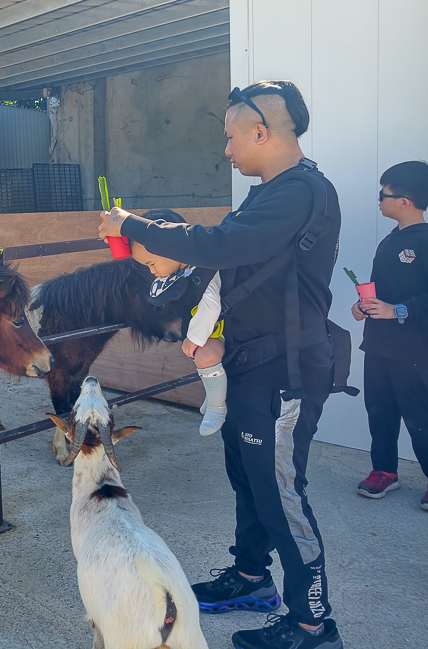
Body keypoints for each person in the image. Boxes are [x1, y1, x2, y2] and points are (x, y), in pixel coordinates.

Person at [98, 80, 344, 649]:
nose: (227, 150)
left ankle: (314, 624)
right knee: (248, 480)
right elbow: (225, 265)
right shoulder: (267, 195)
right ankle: (253, 580)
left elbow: (220, 245)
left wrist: (133, 225)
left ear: (263, 132)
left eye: (232, 137)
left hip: (287, 372)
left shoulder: (301, 191)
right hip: (251, 364)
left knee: (280, 492)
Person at [351, 160, 428, 511]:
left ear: (405, 202)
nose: (379, 200)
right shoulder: (388, 242)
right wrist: (362, 306)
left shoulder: (425, 243)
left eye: (384, 194)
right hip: (378, 345)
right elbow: (378, 289)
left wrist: (397, 310)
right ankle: (384, 471)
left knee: (420, 416)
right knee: (378, 411)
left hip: (412, 349)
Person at [130, 209, 227, 435]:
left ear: (173, 251)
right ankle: (214, 394)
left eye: (152, 264)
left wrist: (194, 338)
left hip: (223, 332)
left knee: (205, 356)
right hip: (211, 331)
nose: (152, 272)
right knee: (202, 360)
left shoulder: (202, 271)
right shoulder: (182, 271)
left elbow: (210, 305)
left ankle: (217, 407)